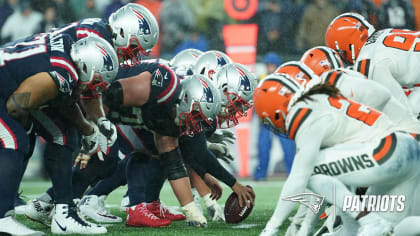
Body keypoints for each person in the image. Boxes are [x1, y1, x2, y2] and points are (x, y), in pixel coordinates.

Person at [254, 73, 420, 236]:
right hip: (406, 150)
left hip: (389, 152)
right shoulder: (319, 97)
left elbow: (300, 177)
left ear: (275, 112)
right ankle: (371, 222)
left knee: (311, 171)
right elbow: (331, 187)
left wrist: (271, 227)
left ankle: (370, 221)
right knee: (392, 228)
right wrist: (306, 226)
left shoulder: (302, 113)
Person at [0, 33, 119, 235]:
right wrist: (28, 125)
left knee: (61, 133)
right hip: (7, 95)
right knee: (14, 138)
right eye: (97, 80)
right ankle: (2, 219)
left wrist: (88, 130)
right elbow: (15, 107)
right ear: (86, 66)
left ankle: (64, 213)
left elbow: (66, 102)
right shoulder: (63, 73)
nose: (96, 88)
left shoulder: (69, 53)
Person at [325, 12, 420, 117]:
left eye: (342, 53)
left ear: (348, 46)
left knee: (407, 117)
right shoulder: (385, 32)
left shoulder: (367, 60)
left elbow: (400, 109)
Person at [254, 52, 296, 180]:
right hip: (266, 119)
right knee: (263, 147)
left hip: (282, 119)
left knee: (288, 148)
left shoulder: (285, 79)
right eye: (269, 65)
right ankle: (261, 174)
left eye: (273, 65)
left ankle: (293, 173)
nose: (270, 68)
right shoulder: (261, 79)